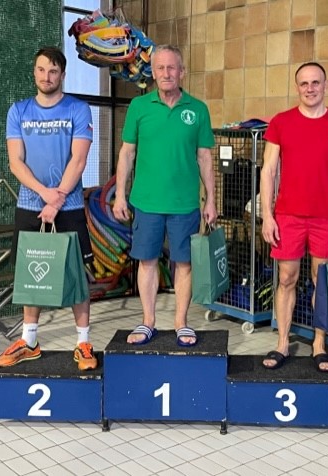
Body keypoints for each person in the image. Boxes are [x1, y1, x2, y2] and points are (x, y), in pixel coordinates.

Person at [0, 47, 97, 371]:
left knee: (77, 274)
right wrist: (44, 195)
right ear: (34, 72)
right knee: (31, 272)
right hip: (30, 205)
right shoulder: (19, 111)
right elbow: (15, 162)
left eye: (53, 71)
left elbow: (79, 160)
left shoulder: (79, 109)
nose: (46, 76)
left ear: (62, 75)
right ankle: (29, 341)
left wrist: (58, 198)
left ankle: (83, 342)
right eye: (41, 70)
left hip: (69, 206)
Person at [113, 44, 216, 346]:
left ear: (182, 72)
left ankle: (181, 323)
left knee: (184, 264)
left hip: (185, 204)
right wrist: (120, 194)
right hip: (146, 202)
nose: (166, 73)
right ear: (153, 72)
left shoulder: (198, 109)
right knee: (147, 261)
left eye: (172, 67)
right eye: (161, 68)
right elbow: (127, 153)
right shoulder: (139, 107)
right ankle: (148, 322)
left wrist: (211, 199)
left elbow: (205, 157)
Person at [260, 62, 328, 372]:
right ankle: (282, 342)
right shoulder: (281, 122)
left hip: (327, 218)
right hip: (288, 216)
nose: (310, 88)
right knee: (286, 278)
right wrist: (266, 215)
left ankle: (319, 344)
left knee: (322, 282)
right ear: (297, 87)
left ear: (326, 85)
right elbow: (268, 171)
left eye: (316, 82)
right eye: (304, 83)